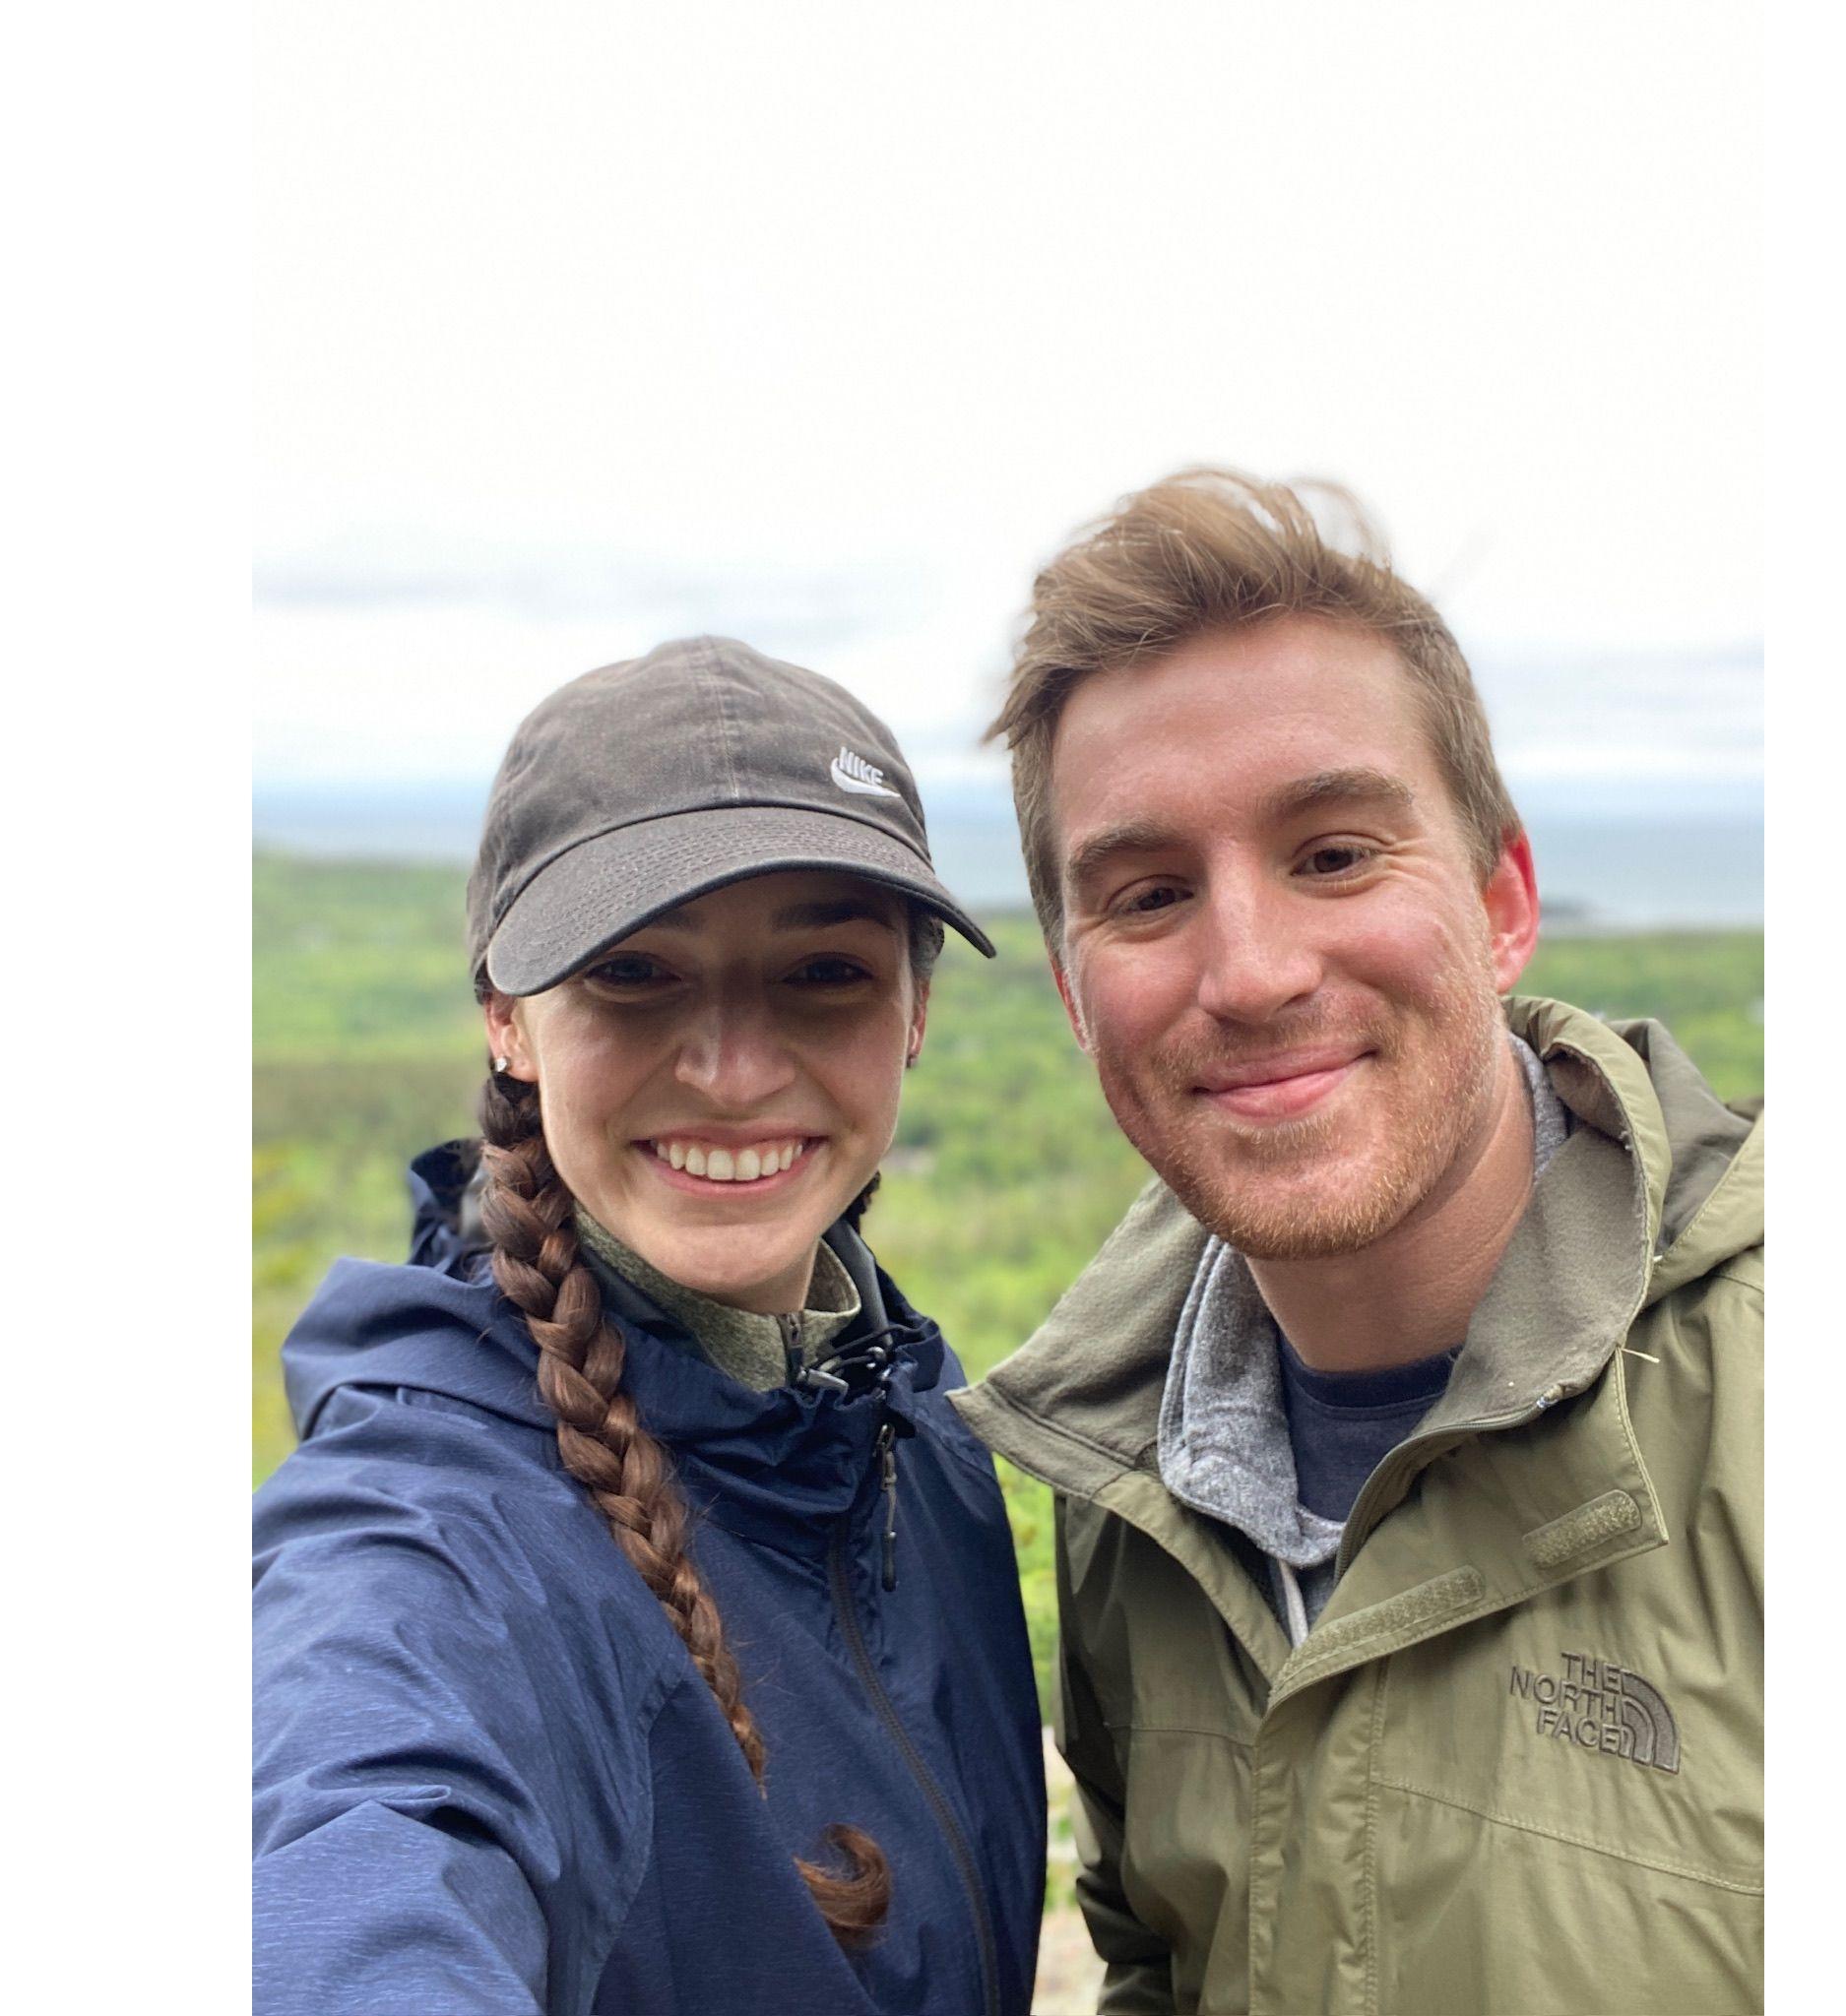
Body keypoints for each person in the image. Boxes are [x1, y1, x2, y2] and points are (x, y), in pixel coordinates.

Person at [953, 472, 1762, 2016]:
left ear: (1502, 902)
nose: (1252, 972)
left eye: (1332, 855)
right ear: (1070, 992)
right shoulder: (1127, 1485)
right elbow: (1157, 1962)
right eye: (1148, 895)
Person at [253, 638, 1047, 2016]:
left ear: (915, 1011)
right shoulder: (430, 1538)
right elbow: (348, 1857)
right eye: (632, 972)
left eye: (823, 973)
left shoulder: (910, 1424)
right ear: (507, 1019)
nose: (732, 1073)